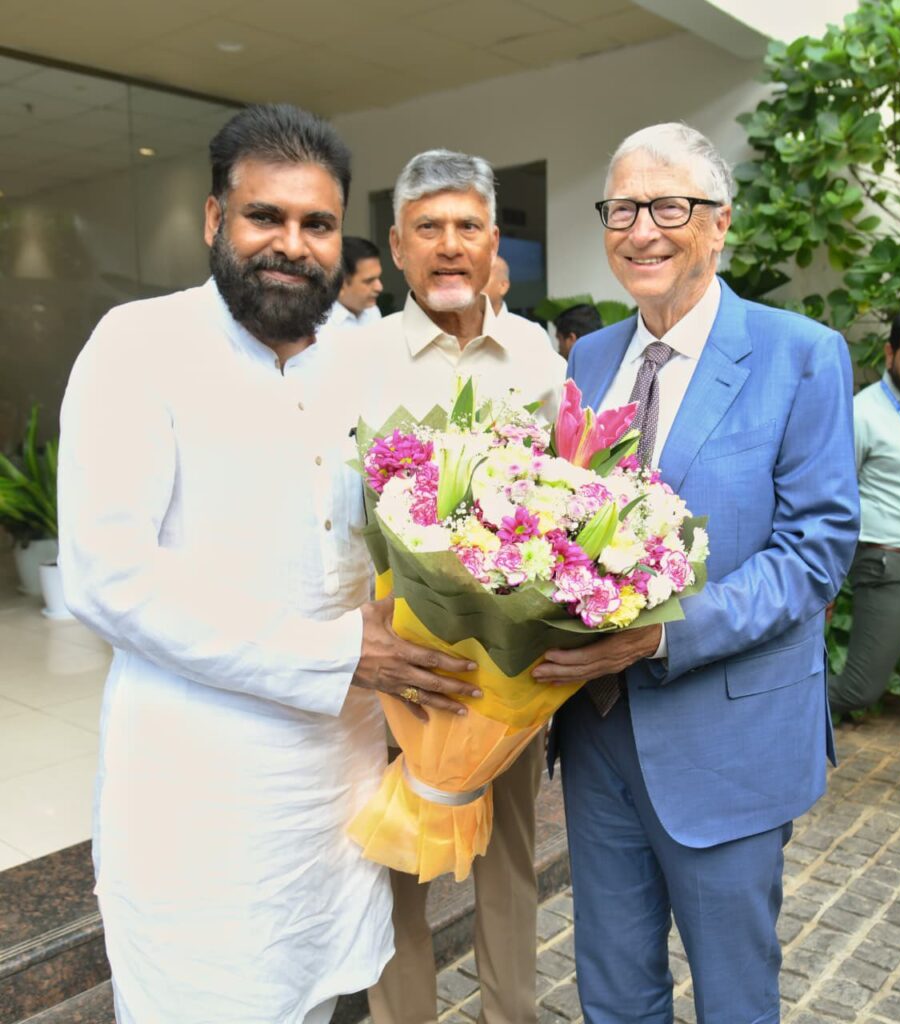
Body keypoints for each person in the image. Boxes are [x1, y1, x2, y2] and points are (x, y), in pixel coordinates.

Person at [57, 105, 481, 1024]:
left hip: (340, 787)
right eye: (265, 217)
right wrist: (339, 653)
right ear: (216, 219)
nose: (292, 244)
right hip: (199, 790)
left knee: (324, 996)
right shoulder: (140, 345)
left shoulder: (366, 366)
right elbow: (108, 576)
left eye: (317, 224)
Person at [533, 123, 859, 1023]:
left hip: (727, 738)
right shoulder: (590, 356)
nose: (642, 230)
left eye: (669, 206)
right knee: (613, 989)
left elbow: (816, 549)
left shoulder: (800, 354)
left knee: (733, 998)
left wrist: (659, 637)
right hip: (596, 733)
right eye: (622, 209)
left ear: (720, 224)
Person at [351, 149, 565, 1024]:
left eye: (467, 226)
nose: (449, 246)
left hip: (507, 665)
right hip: (397, 661)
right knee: (396, 859)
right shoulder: (354, 358)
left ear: (493, 241)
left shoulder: (536, 354)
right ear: (397, 245)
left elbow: (563, 497)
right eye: (428, 228)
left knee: (510, 855)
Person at [827, 308, 900, 717]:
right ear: (889, 353)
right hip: (893, 563)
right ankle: (762, 711)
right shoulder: (862, 413)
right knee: (858, 690)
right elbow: (833, 499)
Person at [316, 235, 383, 339]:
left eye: (378, 278)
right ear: (341, 283)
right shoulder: (319, 327)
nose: (379, 287)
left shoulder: (372, 312)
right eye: (369, 281)